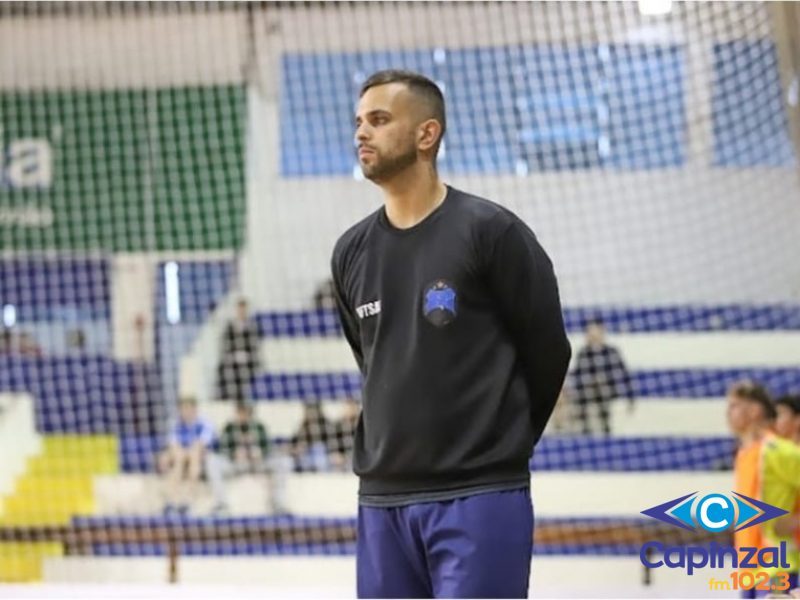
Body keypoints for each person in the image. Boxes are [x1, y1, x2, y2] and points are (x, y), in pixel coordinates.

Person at [331, 69, 571, 598]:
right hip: (382, 501)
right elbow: (372, 360)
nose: (361, 134)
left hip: (480, 496)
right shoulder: (350, 252)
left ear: (427, 134)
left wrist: (498, 445)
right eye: (358, 122)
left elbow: (549, 352)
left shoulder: (492, 233)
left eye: (379, 119)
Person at [727, 381, 800, 596]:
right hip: (750, 570)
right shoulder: (744, 452)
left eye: (734, 406)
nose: (728, 413)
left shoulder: (776, 450)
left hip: (778, 568)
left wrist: (796, 521)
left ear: (755, 410)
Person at [208, 402, 290, 515]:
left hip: (257, 464)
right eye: (240, 412)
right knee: (212, 461)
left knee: (284, 461)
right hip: (236, 464)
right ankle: (222, 504)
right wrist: (233, 453)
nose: (242, 415)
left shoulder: (259, 427)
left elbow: (268, 447)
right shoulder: (230, 428)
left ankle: (278, 503)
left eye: (245, 412)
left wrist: (260, 452)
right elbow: (221, 448)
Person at [571, 317, 634, 435]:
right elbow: (576, 375)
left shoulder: (612, 352)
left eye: (595, 331)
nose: (592, 334)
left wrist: (630, 397)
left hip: (608, 390)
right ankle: (586, 430)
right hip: (587, 391)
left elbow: (624, 374)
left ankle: (605, 428)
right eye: (590, 331)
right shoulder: (583, 353)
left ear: (602, 332)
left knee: (601, 385)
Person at [157, 396, 218, 515]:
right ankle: (171, 503)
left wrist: (186, 453)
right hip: (180, 457)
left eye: (188, 408)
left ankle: (187, 502)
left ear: (195, 409)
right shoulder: (175, 424)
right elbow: (173, 445)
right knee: (175, 458)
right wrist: (176, 454)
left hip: (200, 458)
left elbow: (201, 446)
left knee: (194, 456)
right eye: (183, 409)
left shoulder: (205, 424)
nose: (185, 412)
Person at [217, 298, 261, 402]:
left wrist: (246, 355)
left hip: (247, 359)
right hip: (233, 358)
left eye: (244, 309)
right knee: (222, 368)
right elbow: (225, 343)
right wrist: (232, 355)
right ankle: (224, 397)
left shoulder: (252, 326)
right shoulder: (229, 326)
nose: (242, 312)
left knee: (248, 370)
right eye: (240, 309)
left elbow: (254, 345)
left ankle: (242, 398)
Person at [289, 402, 336, 472]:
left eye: (313, 410)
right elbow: (294, 444)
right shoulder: (303, 427)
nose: (311, 414)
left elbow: (333, 445)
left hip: (324, 457)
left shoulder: (327, 426)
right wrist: (297, 449)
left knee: (318, 449)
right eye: (308, 411)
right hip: (306, 457)